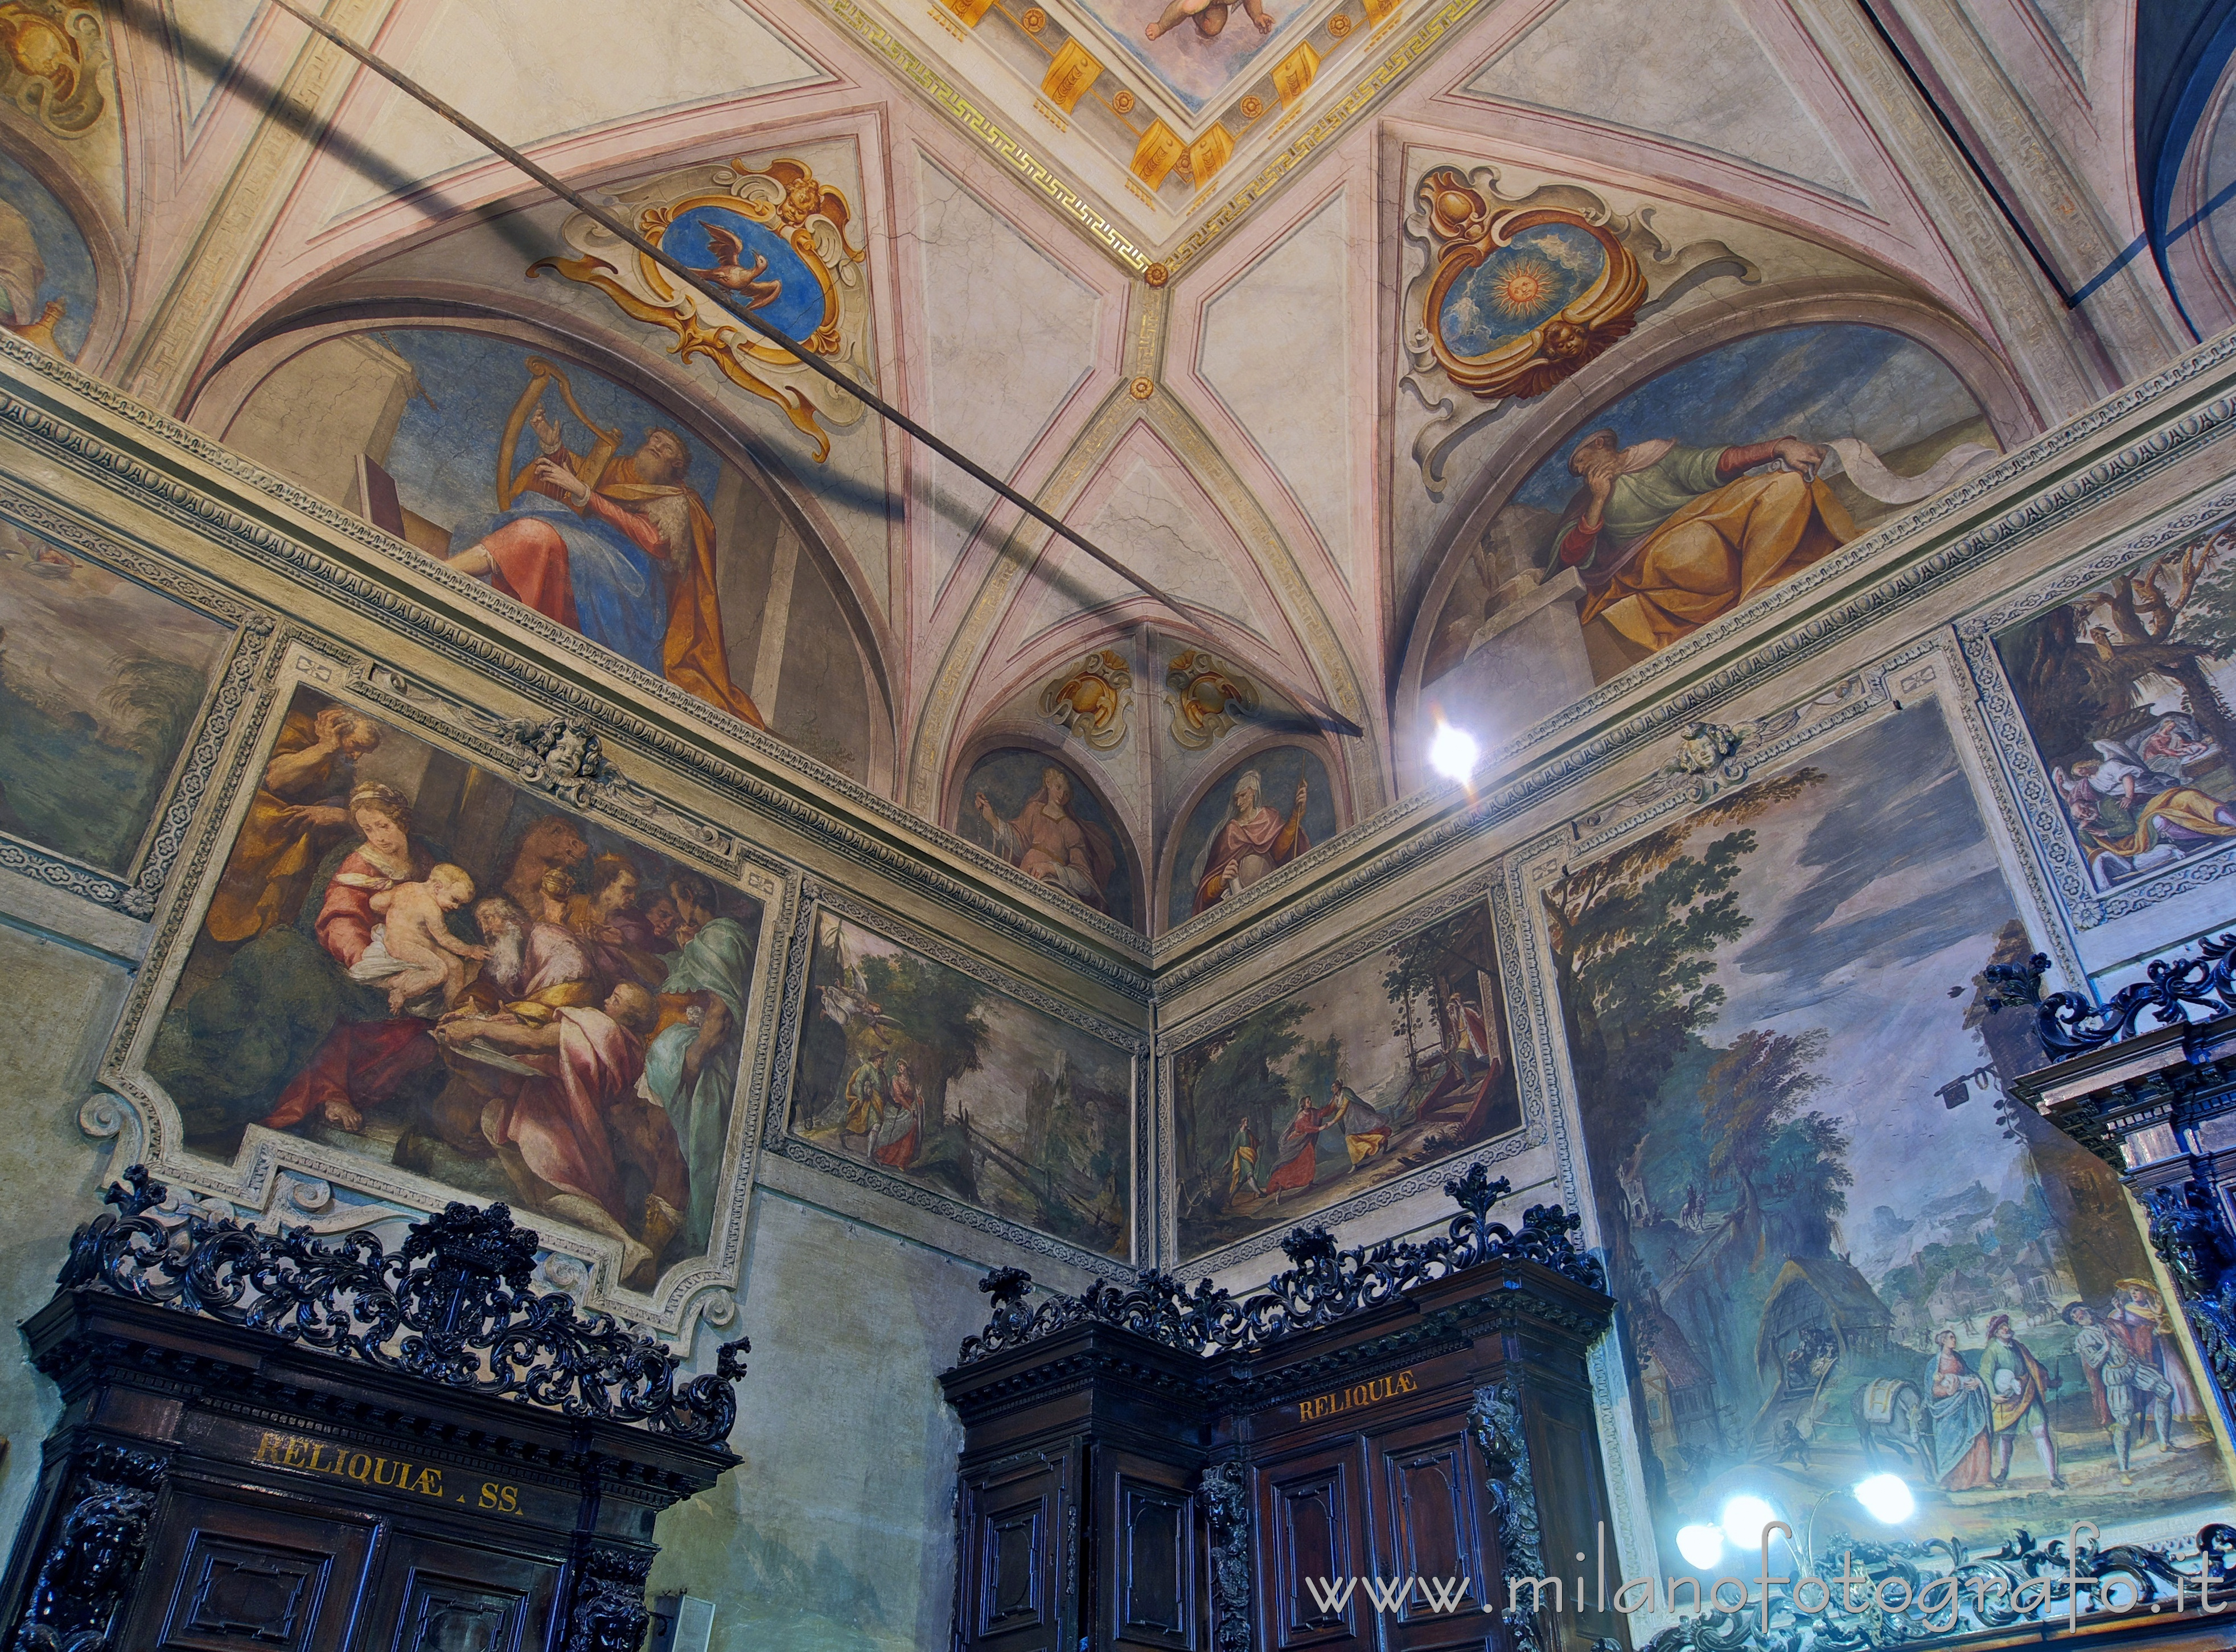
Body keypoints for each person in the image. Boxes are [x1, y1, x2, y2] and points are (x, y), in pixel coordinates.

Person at [443, 413, 764, 728]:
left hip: (633, 583)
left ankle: (442, 575)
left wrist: (585, 493)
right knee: (534, 531)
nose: (656, 447)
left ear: (675, 467)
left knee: (535, 534)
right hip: (589, 550)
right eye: (655, 440)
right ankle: (447, 575)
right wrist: (555, 450)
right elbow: (582, 487)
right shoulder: (621, 469)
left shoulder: (679, 500)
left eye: (667, 448)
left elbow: (654, 541)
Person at [439, 980, 685, 1289]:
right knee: (494, 1121)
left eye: (617, 999)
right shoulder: (632, 1049)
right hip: (576, 1116)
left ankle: (630, 1247)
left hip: (560, 1115)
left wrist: (477, 1028)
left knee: (552, 1183)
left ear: (631, 1019)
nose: (607, 999)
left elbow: (535, 1040)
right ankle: (538, 1210)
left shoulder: (600, 1027)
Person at [1551, 427, 1855, 655]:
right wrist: (1598, 501)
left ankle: (1757, 592)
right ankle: (1749, 604)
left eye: (1581, 460)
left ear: (1601, 444)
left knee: (1787, 486)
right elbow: (1568, 558)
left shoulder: (1654, 456)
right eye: (1577, 468)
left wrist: (1781, 447)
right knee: (1696, 546)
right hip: (1649, 551)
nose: (1580, 470)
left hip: (1710, 510)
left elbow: (1712, 463)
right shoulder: (1586, 499)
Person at [259, 784, 445, 1134]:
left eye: (384, 826)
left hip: (410, 957)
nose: (378, 836)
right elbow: (339, 917)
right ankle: (330, 1093)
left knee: (425, 1035)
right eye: (369, 828)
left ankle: (364, 1095)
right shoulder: (360, 862)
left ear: (401, 821)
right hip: (356, 959)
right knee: (342, 1016)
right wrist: (363, 960)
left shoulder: (425, 861)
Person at [202, 704, 382, 944]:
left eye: (364, 752)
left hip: (297, 820)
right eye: (356, 745)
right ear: (338, 730)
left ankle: (264, 934)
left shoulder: (342, 765)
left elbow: (341, 801)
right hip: (260, 810)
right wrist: (325, 748)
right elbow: (275, 780)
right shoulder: (297, 728)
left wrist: (338, 815)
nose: (357, 756)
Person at [642, 907, 755, 1254]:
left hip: (703, 1076)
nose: (680, 926)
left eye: (684, 916)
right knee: (666, 1147)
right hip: (678, 1071)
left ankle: (671, 1244)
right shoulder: (696, 952)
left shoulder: (720, 941)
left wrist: (688, 1069)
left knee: (687, 1157)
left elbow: (718, 1020)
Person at [975, 767, 1119, 913]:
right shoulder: (1034, 810)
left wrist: (1050, 868)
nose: (1062, 795)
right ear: (1048, 783)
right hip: (1024, 876)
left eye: (1067, 793)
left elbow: (1084, 881)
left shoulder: (1071, 828)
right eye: (1058, 787)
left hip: (1052, 888)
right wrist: (992, 818)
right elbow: (1018, 843)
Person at [352, 864, 487, 1014]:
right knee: (439, 971)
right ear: (437, 888)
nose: (456, 907)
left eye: (460, 904)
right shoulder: (432, 910)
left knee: (456, 966)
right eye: (455, 900)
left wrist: (397, 913)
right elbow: (444, 939)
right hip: (401, 944)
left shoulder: (406, 888)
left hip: (420, 942)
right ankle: (402, 992)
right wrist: (470, 950)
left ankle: (453, 1011)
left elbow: (376, 903)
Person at [2064, 1301, 2174, 1485]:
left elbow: (2128, 1333)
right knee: (2123, 1422)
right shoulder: (2084, 1338)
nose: (2078, 1317)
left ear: (2086, 1308)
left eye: (2077, 1312)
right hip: (2115, 1376)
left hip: (2133, 1366)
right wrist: (2106, 1346)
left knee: (2166, 1391)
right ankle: (2124, 1470)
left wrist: (2122, 1312)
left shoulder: (2107, 1324)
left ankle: (2166, 1442)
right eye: (2074, 1318)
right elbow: (2094, 1363)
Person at [1191, 769, 1310, 915]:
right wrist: (1221, 880)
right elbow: (1206, 891)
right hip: (1240, 903)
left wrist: (1296, 814)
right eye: (1235, 799)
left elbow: (1280, 852)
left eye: (1243, 795)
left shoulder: (1269, 816)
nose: (1238, 803)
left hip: (1274, 891)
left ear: (1253, 792)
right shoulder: (1230, 833)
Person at [1978, 1313, 2066, 1489]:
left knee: (2041, 1432)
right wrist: (1994, 1395)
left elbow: (2033, 1366)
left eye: (2006, 1325)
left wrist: (2048, 1381)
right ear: (1996, 1332)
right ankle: (2004, 1471)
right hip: (2008, 1400)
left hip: (2027, 1394)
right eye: (2002, 1327)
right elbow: (1985, 1375)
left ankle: (2053, 1475)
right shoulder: (1992, 1350)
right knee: (2007, 1437)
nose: (2006, 1329)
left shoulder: (2018, 1347)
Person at [2107, 1280, 2204, 1429]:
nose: (2133, 1293)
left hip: (2161, 1348)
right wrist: (2119, 1311)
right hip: (2141, 1352)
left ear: (2146, 1292)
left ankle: (2194, 1421)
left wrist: (2158, 1316)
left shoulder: (2155, 1308)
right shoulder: (2126, 1309)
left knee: (2179, 1380)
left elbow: (2167, 1327)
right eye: (2131, 1290)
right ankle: (2149, 1432)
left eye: (2137, 1290)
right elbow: (2116, 1329)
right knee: (2148, 1390)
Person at [1924, 1327, 1995, 1490]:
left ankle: (1981, 1479)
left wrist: (1977, 1382)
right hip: (1948, 1411)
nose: (1954, 1340)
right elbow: (1932, 1392)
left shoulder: (1958, 1359)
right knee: (1954, 1443)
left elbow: (1970, 1375)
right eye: (1951, 1338)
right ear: (1943, 1341)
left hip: (1969, 1405)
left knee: (1979, 1436)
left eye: (1954, 1338)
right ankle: (1955, 1481)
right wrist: (1949, 1390)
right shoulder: (1934, 1364)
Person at [1261, 1093, 1335, 1204]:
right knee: (1294, 1165)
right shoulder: (1301, 1116)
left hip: (1305, 1140)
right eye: (1308, 1101)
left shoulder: (1313, 1112)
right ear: (1304, 1105)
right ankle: (1281, 1186)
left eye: (1310, 1101)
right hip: (1297, 1141)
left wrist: (1333, 1101)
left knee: (1309, 1160)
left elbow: (1323, 1112)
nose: (1310, 1102)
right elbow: (1306, 1127)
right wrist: (1320, 1128)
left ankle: (1309, 1182)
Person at [872, 1058, 923, 1168]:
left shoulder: (912, 1080)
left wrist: (918, 1096)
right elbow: (899, 1096)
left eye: (902, 1066)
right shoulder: (895, 1079)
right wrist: (910, 1109)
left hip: (911, 1106)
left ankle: (902, 1160)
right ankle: (888, 1156)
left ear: (906, 1066)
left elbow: (915, 1096)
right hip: (899, 1107)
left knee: (914, 1125)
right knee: (902, 1126)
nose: (900, 1068)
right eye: (899, 1067)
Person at [1327, 1081, 1392, 1168]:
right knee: (1352, 1137)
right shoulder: (1335, 1099)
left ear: (1338, 1086)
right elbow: (1329, 1110)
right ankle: (1377, 1142)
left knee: (1352, 1137)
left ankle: (1356, 1163)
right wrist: (1320, 1113)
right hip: (1349, 1121)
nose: (1332, 1089)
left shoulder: (1346, 1093)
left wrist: (1332, 1122)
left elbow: (1343, 1109)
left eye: (1333, 1087)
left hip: (1357, 1118)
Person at [1146, 0, 1270, 37]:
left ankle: (1197, 15)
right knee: (1189, 7)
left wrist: (1258, 16)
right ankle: (1161, 26)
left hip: (1217, 4)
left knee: (1212, 28)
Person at [844, 1050, 889, 1152]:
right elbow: (859, 1082)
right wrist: (860, 1099)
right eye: (882, 1058)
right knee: (875, 1126)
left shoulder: (881, 1074)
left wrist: (895, 1104)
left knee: (860, 1127)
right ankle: (870, 1156)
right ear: (876, 1058)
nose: (883, 1060)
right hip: (868, 1103)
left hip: (878, 1103)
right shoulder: (867, 1068)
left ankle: (844, 1135)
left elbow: (885, 1091)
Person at [1227, 1116, 1260, 1203]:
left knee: (1241, 1181)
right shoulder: (1239, 1135)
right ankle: (1259, 1193)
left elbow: (1255, 1142)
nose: (1247, 1123)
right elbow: (1234, 1147)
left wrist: (1260, 1143)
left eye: (1247, 1121)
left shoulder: (1249, 1133)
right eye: (1245, 1121)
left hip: (1249, 1156)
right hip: (1242, 1158)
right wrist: (1230, 1159)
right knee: (1250, 1173)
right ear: (1242, 1123)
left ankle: (1230, 1199)